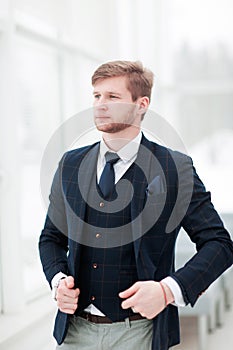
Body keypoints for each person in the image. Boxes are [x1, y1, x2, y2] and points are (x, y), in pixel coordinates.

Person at [39, 60, 233, 350]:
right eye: (96, 96)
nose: (100, 105)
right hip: (74, 333)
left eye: (112, 97)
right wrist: (57, 281)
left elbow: (220, 244)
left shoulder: (174, 169)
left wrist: (168, 291)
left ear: (141, 104)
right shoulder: (70, 164)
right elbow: (51, 238)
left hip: (140, 333)